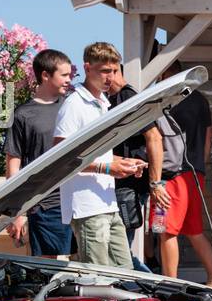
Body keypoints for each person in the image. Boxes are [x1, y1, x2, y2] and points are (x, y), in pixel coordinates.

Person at [53, 42, 145, 268]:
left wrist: (123, 163)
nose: (110, 77)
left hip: (107, 203)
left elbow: (98, 155)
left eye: (114, 71)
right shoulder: (75, 104)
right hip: (86, 207)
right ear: (87, 68)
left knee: (127, 273)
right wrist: (107, 168)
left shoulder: (103, 103)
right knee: (98, 278)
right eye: (104, 71)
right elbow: (61, 158)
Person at [5, 49, 74, 258]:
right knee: (50, 270)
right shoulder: (23, 115)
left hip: (79, 200)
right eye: (64, 75)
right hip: (46, 206)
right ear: (45, 75)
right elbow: (13, 167)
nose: (69, 80)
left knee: (87, 268)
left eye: (70, 75)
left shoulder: (73, 106)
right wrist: (17, 212)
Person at [157, 86, 212, 288]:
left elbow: (155, 139)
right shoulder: (200, 100)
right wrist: (200, 165)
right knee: (194, 230)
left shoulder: (166, 100)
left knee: (165, 231)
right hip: (194, 174)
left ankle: (170, 283)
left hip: (170, 177)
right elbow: (208, 134)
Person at [107, 62, 157, 272]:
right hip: (123, 184)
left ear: (115, 71)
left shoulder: (127, 98)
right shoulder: (112, 99)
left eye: (106, 72)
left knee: (121, 254)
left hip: (129, 186)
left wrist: (156, 183)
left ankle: (153, 286)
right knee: (119, 252)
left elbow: (154, 137)